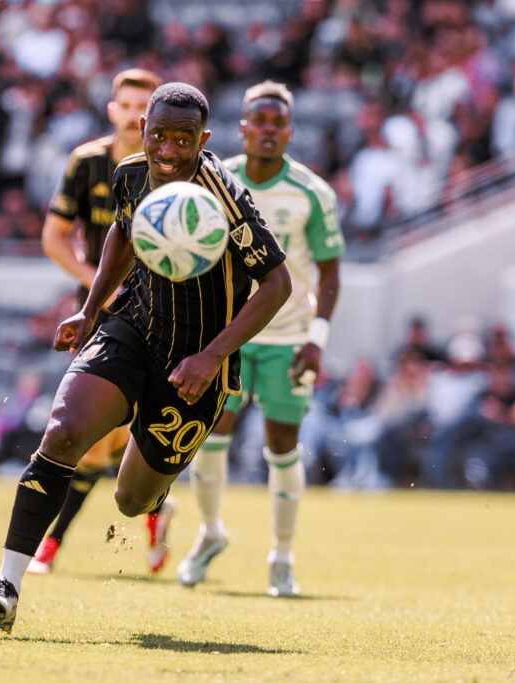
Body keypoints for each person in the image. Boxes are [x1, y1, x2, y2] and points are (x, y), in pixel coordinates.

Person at [0, 82, 291, 633]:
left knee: (129, 500)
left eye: (183, 141)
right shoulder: (130, 173)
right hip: (134, 329)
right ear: (142, 129)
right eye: (159, 136)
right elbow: (122, 233)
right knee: (64, 434)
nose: (169, 150)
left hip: (196, 365)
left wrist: (213, 357)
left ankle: (156, 498)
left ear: (204, 140)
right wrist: (92, 310)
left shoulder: (225, 195)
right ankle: (7, 583)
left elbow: (278, 284)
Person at [175, 81, 344, 597]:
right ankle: (208, 534)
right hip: (227, 337)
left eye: (278, 122)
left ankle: (282, 557)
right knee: (209, 436)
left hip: (289, 339)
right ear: (243, 127)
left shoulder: (313, 192)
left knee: (282, 447)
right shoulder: (214, 180)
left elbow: (330, 274)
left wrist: (317, 339)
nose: (268, 130)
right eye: (259, 120)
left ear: (289, 131)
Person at [30, 68, 171, 575]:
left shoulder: (175, 168)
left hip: (158, 314)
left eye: (144, 106)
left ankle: (53, 543)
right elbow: (52, 237)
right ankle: (152, 510)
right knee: (93, 431)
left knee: (113, 434)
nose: (135, 115)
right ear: (112, 111)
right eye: (127, 105)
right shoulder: (87, 162)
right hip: (96, 314)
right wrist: (96, 281)